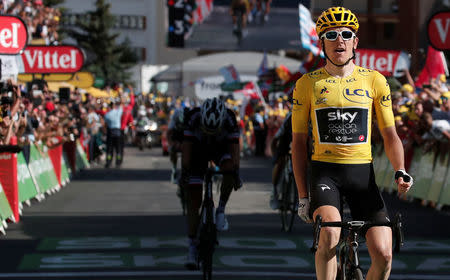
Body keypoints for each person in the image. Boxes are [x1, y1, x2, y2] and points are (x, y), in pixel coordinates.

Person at [291, 7, 414, 280]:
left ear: (355, 42)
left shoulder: (375, 80)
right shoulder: (307, 84)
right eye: (331, 35)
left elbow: (390, 134)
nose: (340, 40)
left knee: (384, 255)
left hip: (362, 176)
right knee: (330, 236)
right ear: (321, 42)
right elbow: (298, 143)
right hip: (326, 175)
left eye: (346, 34)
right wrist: (302, 197)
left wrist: (400, 169)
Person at [181, 97, 241, 269]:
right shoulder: (193, 118)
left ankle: (221, 209)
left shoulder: (229, 118)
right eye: (207, 129)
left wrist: (235, 173)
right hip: (197, 150)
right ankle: (192, 246)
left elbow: (235, 150)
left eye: (214, 130)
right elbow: (186, 151)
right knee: (194, 198)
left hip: (220, 149)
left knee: (229, 168)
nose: (210, 133)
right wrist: (185, 173)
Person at [167, 107, 187, 184]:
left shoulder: (190, 120)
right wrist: (172, 144)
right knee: (172, 149)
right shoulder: (174, 119)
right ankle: (174, 169)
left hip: (186, 137)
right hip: (176, 136)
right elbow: (169, 133)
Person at [104, 98, 123, 168]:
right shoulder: (118, 112)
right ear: (114, 106)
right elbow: (121, 106)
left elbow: (106, 124)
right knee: (118, 149)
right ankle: (118, 162)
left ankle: (108, 162)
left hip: (110, 132)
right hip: (117, 132)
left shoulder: (107, 115)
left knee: (109, 149)